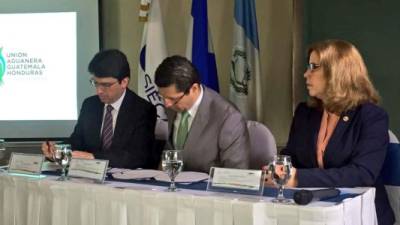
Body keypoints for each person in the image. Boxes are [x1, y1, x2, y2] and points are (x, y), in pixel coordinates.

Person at [272, 40, 394, 225]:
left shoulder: (372, 117)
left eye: (314, 67)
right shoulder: (305, 112)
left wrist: (298, 178)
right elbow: (291, 156)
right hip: (311, 211)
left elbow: (362, 174)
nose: (306, 74)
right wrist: (278, 170)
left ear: (337, 72)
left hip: (361, 215)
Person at [42, 49, 158, 169]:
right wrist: (58, 149)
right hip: (87, 177)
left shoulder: (143, 110)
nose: (99, 91)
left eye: (106, 85)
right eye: (95, 83)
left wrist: (94, 157)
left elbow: (138, 156)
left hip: (125, 182)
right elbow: (77, 141)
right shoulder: (90, 105)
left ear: (124, 82)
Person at [154, 55, 249, 173]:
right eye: (163, 97)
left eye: (172, 99)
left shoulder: (229, 118)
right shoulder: (172, 106)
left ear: (194, 88)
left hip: (208, 189)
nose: (166, 104)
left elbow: (236, 175)